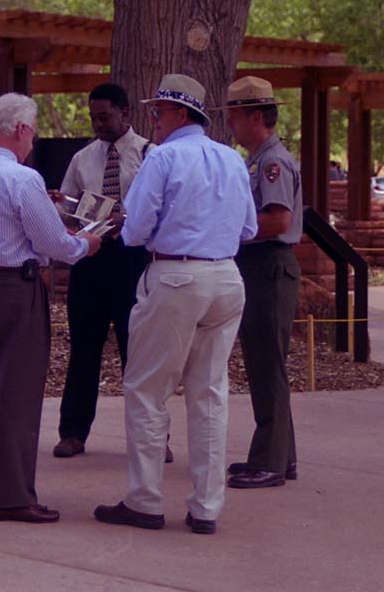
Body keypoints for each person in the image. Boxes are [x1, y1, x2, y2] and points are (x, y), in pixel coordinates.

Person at [94, 74, 257, 536]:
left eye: (160, 112)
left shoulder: (163, 157)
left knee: (147, 389)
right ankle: (206, 507)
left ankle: (145, 500)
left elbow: (135, 230)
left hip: (175, 274)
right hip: (225, 276)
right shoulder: (231, 158)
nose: (154, 120)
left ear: (181, 114)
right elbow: (248, 228)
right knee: (209, 393)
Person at [0, 93, 102, 524]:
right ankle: (13, 496)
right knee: (15, 393)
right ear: (20, 130)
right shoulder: (22, 179)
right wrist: (85, 244)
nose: (33, 141)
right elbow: (54, 243)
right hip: (13, 289)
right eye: (32, 132)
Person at [53, 83, 154, 460]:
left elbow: (161, 207)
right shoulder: (82, 159)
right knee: (84, 347)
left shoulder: (149, 155)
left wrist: (128, 217)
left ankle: (151, 437)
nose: (98, 124)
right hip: (91, 259)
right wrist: (65, 211)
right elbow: (66, 210)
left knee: (138, 351)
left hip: (133, 260)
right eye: (93, 118)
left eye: (105, 117)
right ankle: (73, 432)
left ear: (125, 113)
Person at [219, 77, 303, 490]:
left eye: (235, 116)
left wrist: (228, 228)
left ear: (256, 117)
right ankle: (280, 456)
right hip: (260, 266)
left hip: (268, 266)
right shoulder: (258, 161)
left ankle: (269, 462)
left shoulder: (273, 163)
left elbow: (278, 220)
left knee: (267, 366)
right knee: (265, 364)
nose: (230, 124)